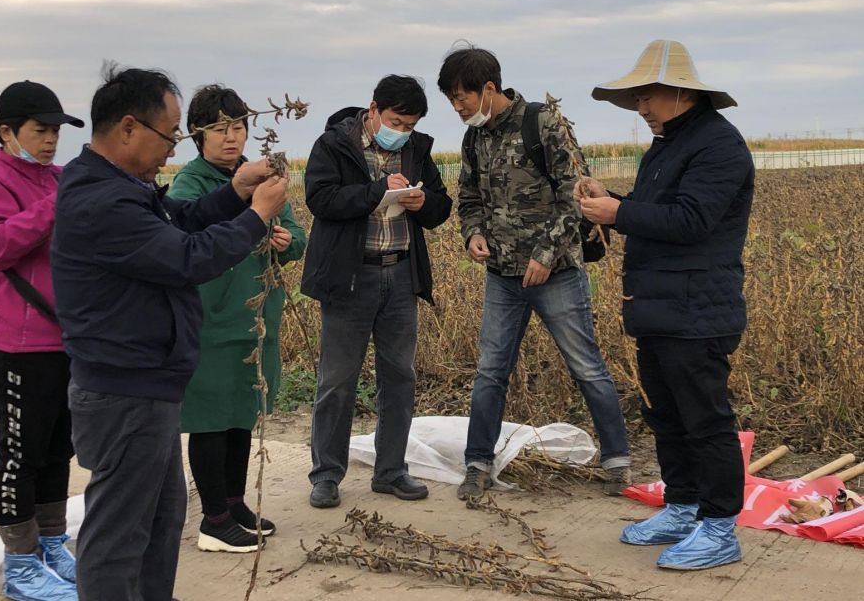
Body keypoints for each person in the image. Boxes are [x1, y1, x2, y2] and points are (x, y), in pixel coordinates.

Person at [51, 65, 288, 601]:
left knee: (159, 519)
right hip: (124, 389)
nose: (174, 145)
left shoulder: (122, 187)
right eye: (170, 132)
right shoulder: (101, 200)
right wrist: (255, 217)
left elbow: (180, 219)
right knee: (118, 531)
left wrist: (234, 191)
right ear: (128, 128)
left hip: (148, 384)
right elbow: (186, 257)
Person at [578, 39, 754, 570]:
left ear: (680, 92)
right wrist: (613, 201)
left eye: (646, 96)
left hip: (697, 309)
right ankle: (681, 506)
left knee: (705, 419)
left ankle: (719, 527)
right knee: (667, 415)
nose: (640, 107)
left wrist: (618, 214)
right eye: (636, 98)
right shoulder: (667, 144)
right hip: (658, 306)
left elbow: (691, 220)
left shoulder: (719, 145)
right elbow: (655, 210)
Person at [436, 44, 631, 500]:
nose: (457, 107)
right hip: (502, 277)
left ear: (489, 88)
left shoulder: (542, 123)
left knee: (586, 367)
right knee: (490, 372)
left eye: (462, 97)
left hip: (556, 273)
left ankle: (617, 461)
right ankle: (477, 464)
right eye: (451, 100)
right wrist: (473, 233)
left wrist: (544, 255)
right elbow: (469, 198)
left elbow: (574, 196)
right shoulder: (474, 138)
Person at [302, 74, 452, 508]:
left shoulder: (417, 150)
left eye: (410, 125)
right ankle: (326, 475)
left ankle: (391, 471)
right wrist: (376, 191)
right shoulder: (333, 145)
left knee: (400, 376)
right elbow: (321, 200)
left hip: (401, 274)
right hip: (351, 277)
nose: (401, 131)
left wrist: (425, 203)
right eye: (395, 122)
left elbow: (441, 206)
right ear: (373, 110)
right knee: (337, 380)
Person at [170, 85, 306, 553]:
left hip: (257, 316)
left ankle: (234, 504)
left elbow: (298, 233)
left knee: (241, 415)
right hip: (212, 318)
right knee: (210, 417)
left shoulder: (265, 176)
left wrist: (287, 240)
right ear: (196, 134)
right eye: (219, 129)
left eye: (238, 127)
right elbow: (190, 237)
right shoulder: (190, 184)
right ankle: (213, 521)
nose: (231, 137)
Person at [0, 81, 84, 601]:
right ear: (6, 131)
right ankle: (20, 562)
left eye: (56, 130)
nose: (51, 140)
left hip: (65, 339)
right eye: (41, 130)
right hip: (17, 343)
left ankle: (52, 544)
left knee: (58, 450)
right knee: (20, 455)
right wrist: (56, 205)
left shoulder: (57, 177)